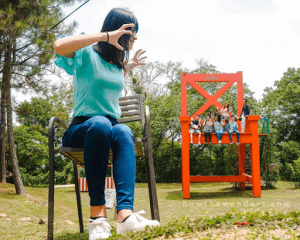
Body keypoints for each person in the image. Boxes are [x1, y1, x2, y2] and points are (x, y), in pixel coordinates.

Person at [53, 8, 159, 239]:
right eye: (132, 33)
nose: (136, 39)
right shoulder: (86, 54)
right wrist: (103, 35)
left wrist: (127, 68)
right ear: (117, 30)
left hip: (108, 128)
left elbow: (106, 84)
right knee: (101, 124)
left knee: (123, 129)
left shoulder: (116, 65)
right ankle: (97, 217)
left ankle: (125, 216)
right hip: (82, 128)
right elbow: (59, 47)